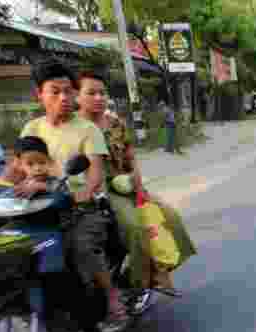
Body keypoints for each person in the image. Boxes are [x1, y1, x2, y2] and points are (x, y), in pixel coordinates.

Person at [0, 59, 128, 331]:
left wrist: (83, 192)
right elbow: (16, 169)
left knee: (82, 248)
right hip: (40, 207)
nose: (64, 97)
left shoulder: (88, 129)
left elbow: (95, 174)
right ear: (40, 95)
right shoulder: (31, 129)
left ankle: (112, 298)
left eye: (69, 91)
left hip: (81, 208)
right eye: (55, 91)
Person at [75, 69, 196, 297]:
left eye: (102, 93)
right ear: (77, 96)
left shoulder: (115, 122)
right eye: (91, 93)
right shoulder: (74, 127)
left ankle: (159, 269)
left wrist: (139, 186)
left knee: (169, 217)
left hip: (128, 184)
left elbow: (131, 157)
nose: (99, 98)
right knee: (135, 227)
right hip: (102, 189)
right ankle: (138, 280)